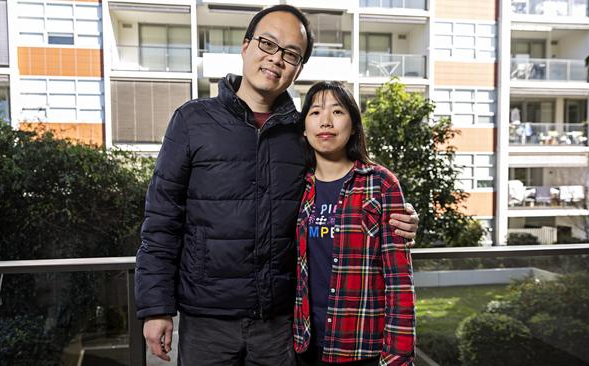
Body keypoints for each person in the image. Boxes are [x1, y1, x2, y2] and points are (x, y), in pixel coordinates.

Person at [135, 5, 419, 365]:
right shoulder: (192, 121)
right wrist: (156, 307)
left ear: (299, 68)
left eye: (290, 54)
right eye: (268, 44)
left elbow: (347, 190)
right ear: (245, 45)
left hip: (280, 325)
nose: (275, 59)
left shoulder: (303, 133)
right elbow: (161, 221)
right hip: (206, 321)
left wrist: (402, 218)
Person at [293, 81, 415, 366]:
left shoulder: (381, 183)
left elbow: (399, 280)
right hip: (306, 346)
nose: (325, 121)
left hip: (363, 347)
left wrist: (398, 355)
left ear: (354, 125)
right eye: (315, 113)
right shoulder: (296, 186)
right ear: (304, 127)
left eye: (337, 111)